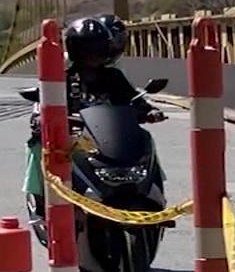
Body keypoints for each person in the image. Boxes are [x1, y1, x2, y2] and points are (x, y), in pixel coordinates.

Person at [22, 14, 165, 223]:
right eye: (84, 48)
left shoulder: (113, 77)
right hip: (76, 136)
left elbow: (132, 98)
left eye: (97, 48)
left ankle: (154, 193)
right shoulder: (63, 77)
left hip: (109, 135)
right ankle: (41, 199)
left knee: (144, 139)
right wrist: (38, 118)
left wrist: (149, 110)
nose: (92, 55)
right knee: (39, 145)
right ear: (73, 49)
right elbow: (43, 102)